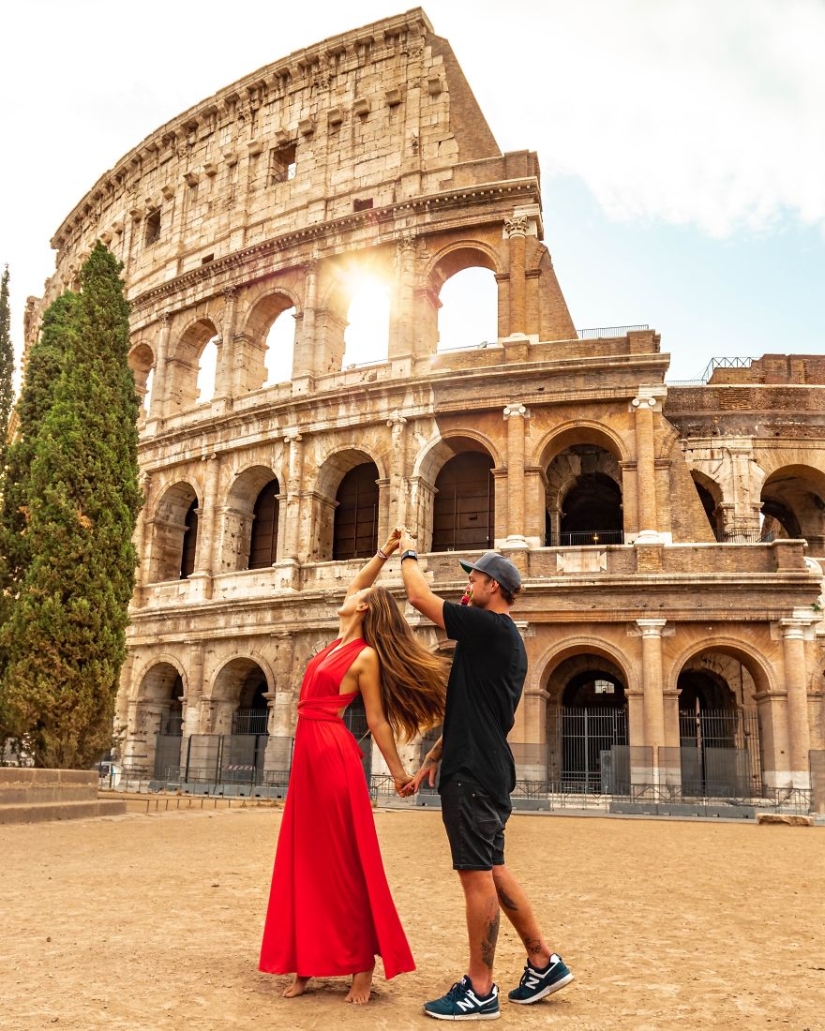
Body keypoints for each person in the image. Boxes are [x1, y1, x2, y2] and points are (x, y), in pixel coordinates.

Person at [259, 531, 448, 1004]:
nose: (352, 592)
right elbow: (360, 582)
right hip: (308, 756)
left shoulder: (364, 656)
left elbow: (378, 721)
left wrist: (397, 773)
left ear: (362, 609)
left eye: (358, 596)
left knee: (344, 862)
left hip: (331, 755)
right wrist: (383, 553)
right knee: (304, 861)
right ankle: (306, 963)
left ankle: (361, 964)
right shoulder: (334, 640)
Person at [397, 536, 574, 1020]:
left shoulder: (488, 626)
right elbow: (473, 711)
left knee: (475, 876)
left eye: (472, 578)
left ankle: (480, 988)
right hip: (483, 763)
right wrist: (435, 755)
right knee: (492, 866)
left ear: (492, 586)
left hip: (474, 772)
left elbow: (416, 597)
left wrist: (408, 553)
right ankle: (542, 961)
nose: (466, 585)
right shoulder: (501, 640)